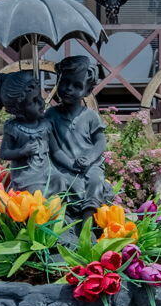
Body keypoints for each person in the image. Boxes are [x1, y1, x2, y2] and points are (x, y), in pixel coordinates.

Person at [48, 55, 118, 209]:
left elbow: (100, 141)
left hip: (90, 165)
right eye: (64, 82)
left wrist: (90, 158)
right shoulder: (50, 116)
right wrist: (70, 165)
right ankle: (62, 218)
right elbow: (55, 150)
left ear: (88, 91)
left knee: (95, 182)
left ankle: (89, 217)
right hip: (62, 165)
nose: (69, 89)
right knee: (59, 182)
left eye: (77, 86)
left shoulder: (90, 116)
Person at [0, 68, 56, 194]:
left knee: (61, 181)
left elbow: (55, 149)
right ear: (18, 108)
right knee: (38, 191)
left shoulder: (45, 124)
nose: (41, 102)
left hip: (47, 171)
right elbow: (4, 153)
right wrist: (22, 151)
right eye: (34, 101)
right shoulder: (14, 128)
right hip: (26, 176)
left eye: (40, 97)